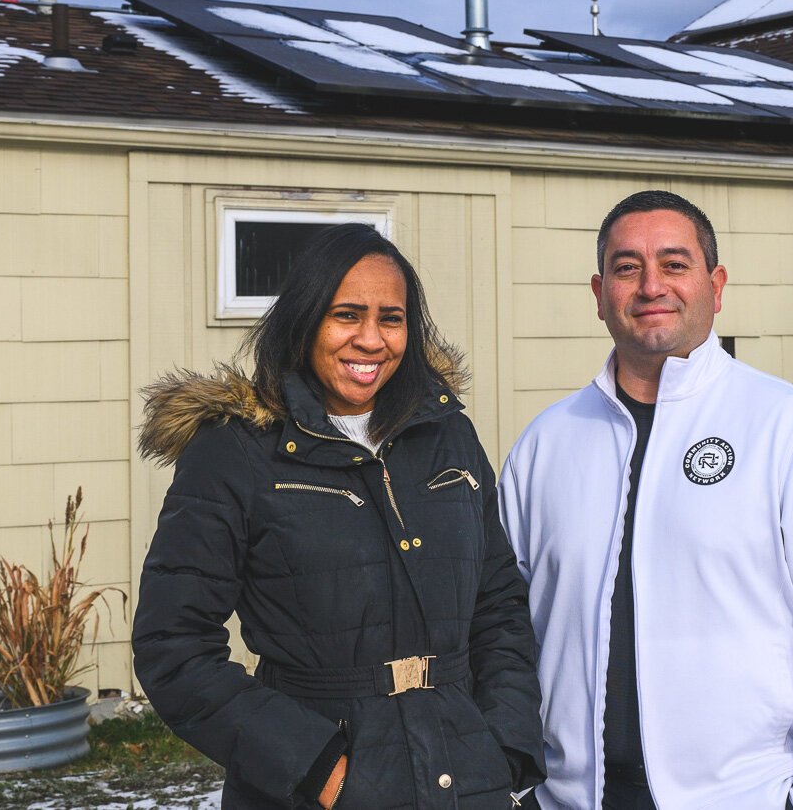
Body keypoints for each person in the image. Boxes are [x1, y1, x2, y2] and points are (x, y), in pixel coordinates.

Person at [499, 190, 793, 810]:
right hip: (569, 797)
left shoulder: (786, 428)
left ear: (715, 286)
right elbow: (499, 624)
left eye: (675, 263)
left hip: (743, 795)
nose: (650, 285)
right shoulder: (548, 443)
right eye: (627, 266)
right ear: (599, 292)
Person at [133, 222, 544, 810]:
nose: (371, 340)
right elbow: (171, 644)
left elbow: (498, 604)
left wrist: (506, 745)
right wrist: (323, 771)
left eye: (392, 318)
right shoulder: (237, 451)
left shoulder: (446, 433)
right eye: (346, 314)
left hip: (467, 775)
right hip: (319, 784)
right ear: (304, 320)